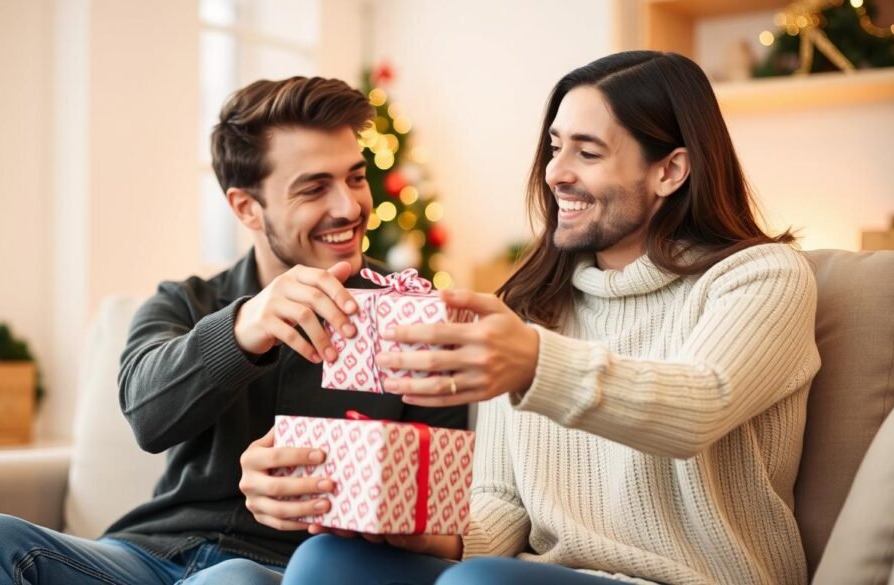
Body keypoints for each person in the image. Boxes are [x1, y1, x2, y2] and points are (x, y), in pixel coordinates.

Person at [282, 51, 820, 585]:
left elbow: (698, 406)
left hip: (694, 580)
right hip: (530, 577)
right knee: (325, 560)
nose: (556, 173)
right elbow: (500, 502)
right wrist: (421, 530)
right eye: (555, 148)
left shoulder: (760, 277)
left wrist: (535, 364)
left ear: (670, 170)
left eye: (587, 153)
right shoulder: (533, 304)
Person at [0, 76, 467, 585]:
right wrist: (244, 326)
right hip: (145, 556)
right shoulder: (184, 302)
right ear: (246, 207)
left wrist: (348, 499)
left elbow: (444, 526)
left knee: (229, 580)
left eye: (354, 177)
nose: (350, 206)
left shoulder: (411, 317)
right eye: (314, 188)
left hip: (279, 570)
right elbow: (147, 417)